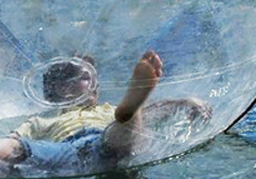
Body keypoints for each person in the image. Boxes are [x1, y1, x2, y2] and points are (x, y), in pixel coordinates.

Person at [0, 50, 209, 176]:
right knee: (20, 148)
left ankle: (133, 106)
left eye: (94, 78)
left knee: (118, 135)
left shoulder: (107, 110)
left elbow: (156, 111)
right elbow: (15, 138)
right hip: (63, 150)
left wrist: (185, 102)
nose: (95, 83)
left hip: (103, 142)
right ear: (63, 87)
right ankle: (131, 109)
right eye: (85, 77)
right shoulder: (42, 120)